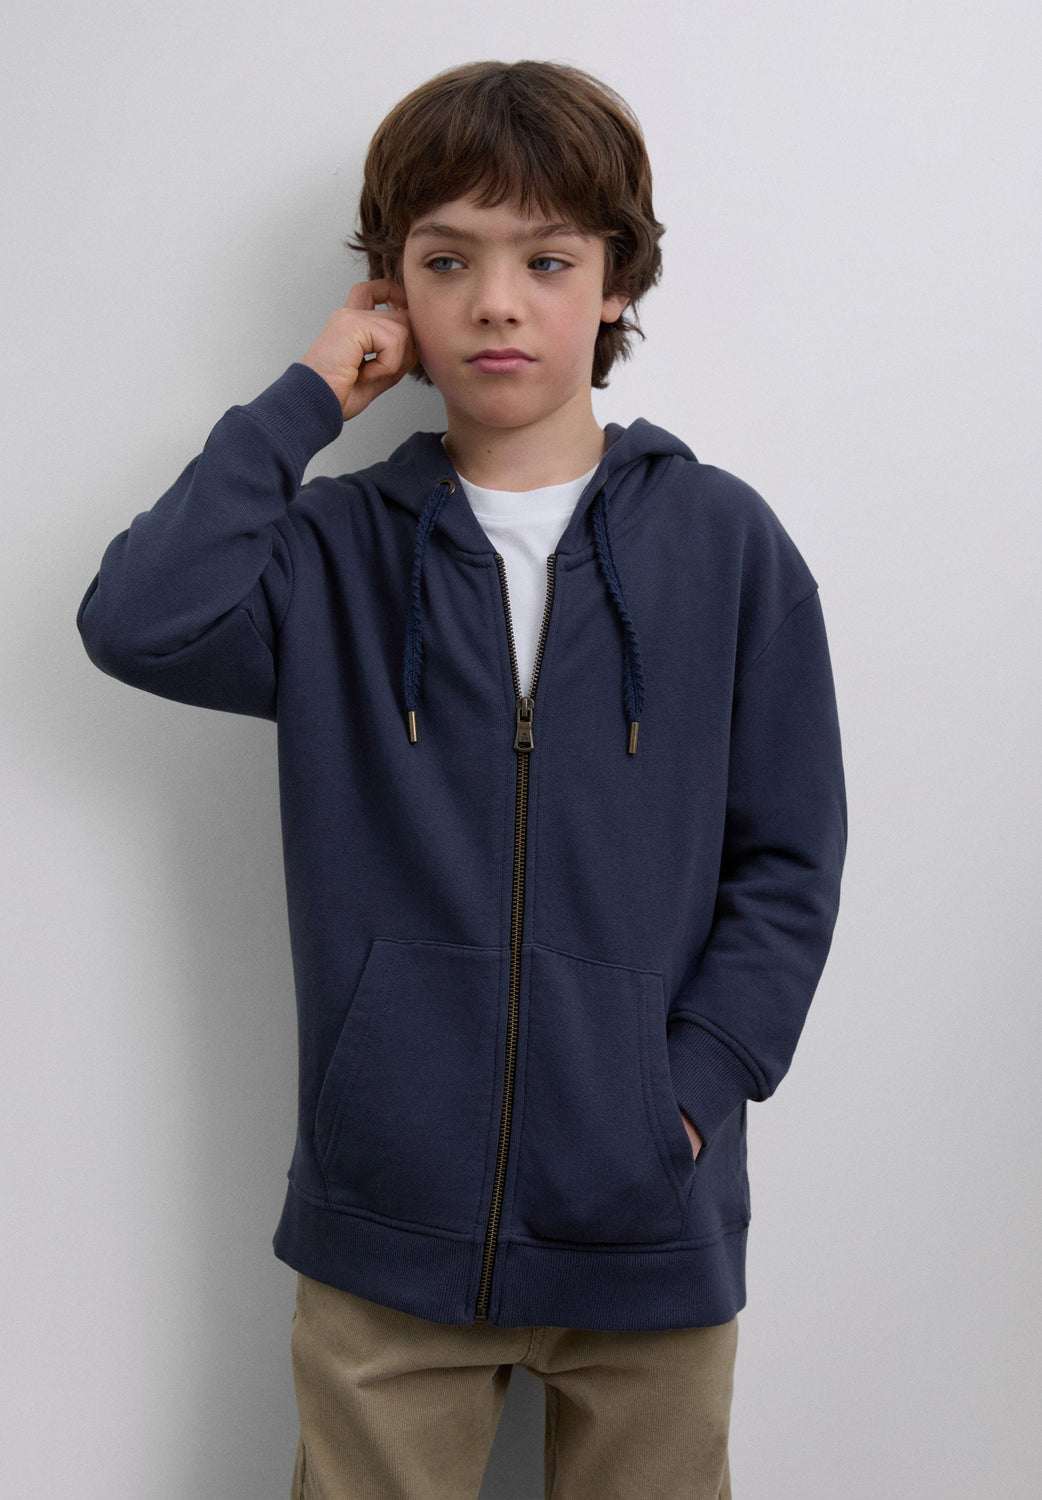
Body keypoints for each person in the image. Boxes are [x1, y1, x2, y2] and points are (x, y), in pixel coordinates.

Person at [77, 59, 846, 1500]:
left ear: (615, 282)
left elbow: (789, 863)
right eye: (447, 261)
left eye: (545, 259)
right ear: (392, 292)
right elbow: (138, 622)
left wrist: (685, 1097)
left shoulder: (725, 546)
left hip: (651, 1221)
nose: (496, 301)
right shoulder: (329, 553)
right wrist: (308, 398)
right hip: (385, 1226)